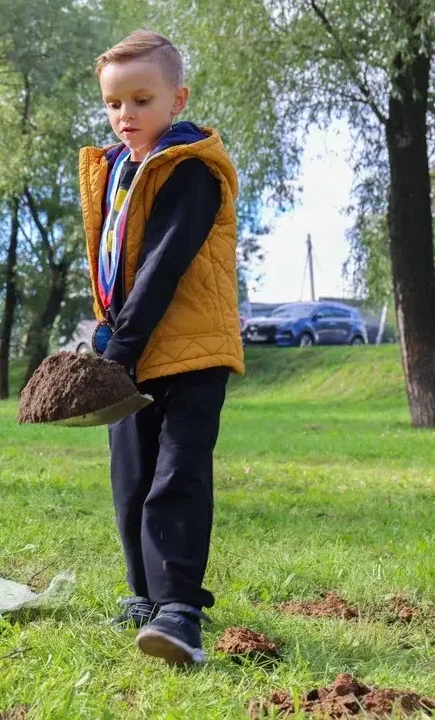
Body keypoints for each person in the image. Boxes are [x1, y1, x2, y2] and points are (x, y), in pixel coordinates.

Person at [80, 29, 245, 664]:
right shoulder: (118, 171)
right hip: (132, 350)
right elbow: (117, 267)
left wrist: (119, 346)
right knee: (131, 479)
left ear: (177, 99)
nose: (126, 116)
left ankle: (179, 613)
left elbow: (162, 264)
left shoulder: (192, 169)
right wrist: (106, 338)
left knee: (174, 478)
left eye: (141, 100)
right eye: (114, 104)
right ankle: (144, 597)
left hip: (192, 354)